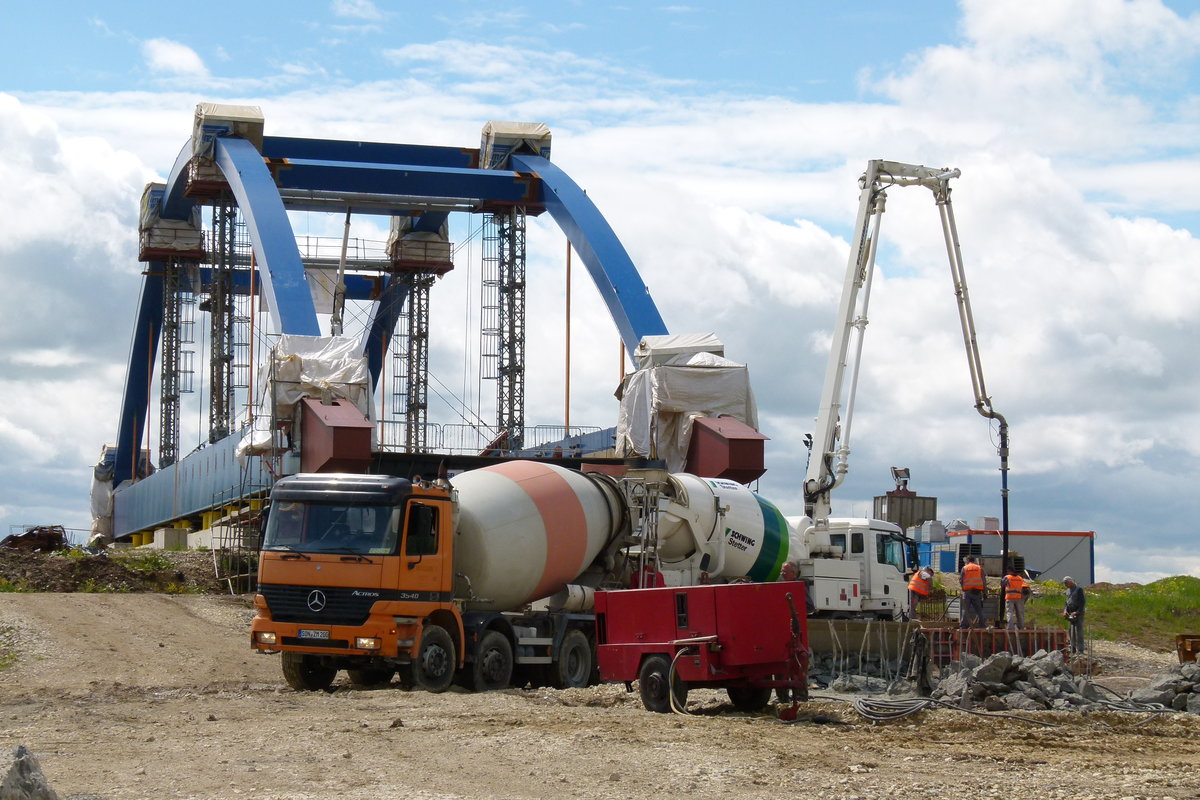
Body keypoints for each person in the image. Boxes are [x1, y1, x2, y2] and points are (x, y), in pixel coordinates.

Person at [959, 556, 987, 629]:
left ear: (968, 560)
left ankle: (963, 626)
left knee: (966, 609)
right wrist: (985, 593)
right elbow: (984, 581)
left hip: (967, 592)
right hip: (977, 592)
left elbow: (961, 580)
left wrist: (963, 589)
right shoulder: (979, 568)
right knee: (979, 610)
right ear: (974, 560)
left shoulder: (965, 568)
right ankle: (982, 625)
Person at [1063, 576, 1086, 655]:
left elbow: (1082, 602)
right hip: (1070, 612)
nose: (1065, 585)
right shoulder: (1067, 591)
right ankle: (1072, 648)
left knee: (1079, 631)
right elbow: (1066, 602)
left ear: (1070, 582)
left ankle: (1081, 649)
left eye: (1066, 583)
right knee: (1070, 631)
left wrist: (1077, 612)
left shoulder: (1079, 589)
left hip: (1078, 613)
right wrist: (1065, 610)